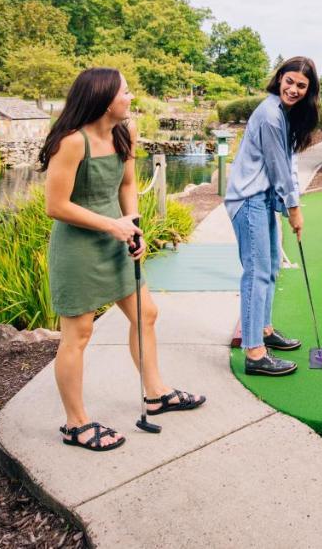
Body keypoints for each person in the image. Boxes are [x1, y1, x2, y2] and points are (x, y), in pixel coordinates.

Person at [40, 67, 204, 452]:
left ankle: (155, 393)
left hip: (116, 238)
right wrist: (112, 226)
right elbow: (55, 206)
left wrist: (133, 225)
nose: (131, 98)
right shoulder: (72, 142)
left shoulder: (123, 133)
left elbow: (128, 185)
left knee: (146, 313)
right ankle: (76, 424)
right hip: (78, 249)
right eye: (125, 92)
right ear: (102, 99)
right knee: (77, 335)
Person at [225, 56, 321, 376]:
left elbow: (287, 164)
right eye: (289, 81)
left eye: (301, 86)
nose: (293, 89)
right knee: (257, 272)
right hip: (249, 199)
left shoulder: (284, 114)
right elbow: (278, 167)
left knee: (270, 268)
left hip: (262, 199)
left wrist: (284, 204)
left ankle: (264, 330)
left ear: (309, 91)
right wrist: (294, 209)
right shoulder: (269, 115)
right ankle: (254, 353)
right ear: (280, 78)